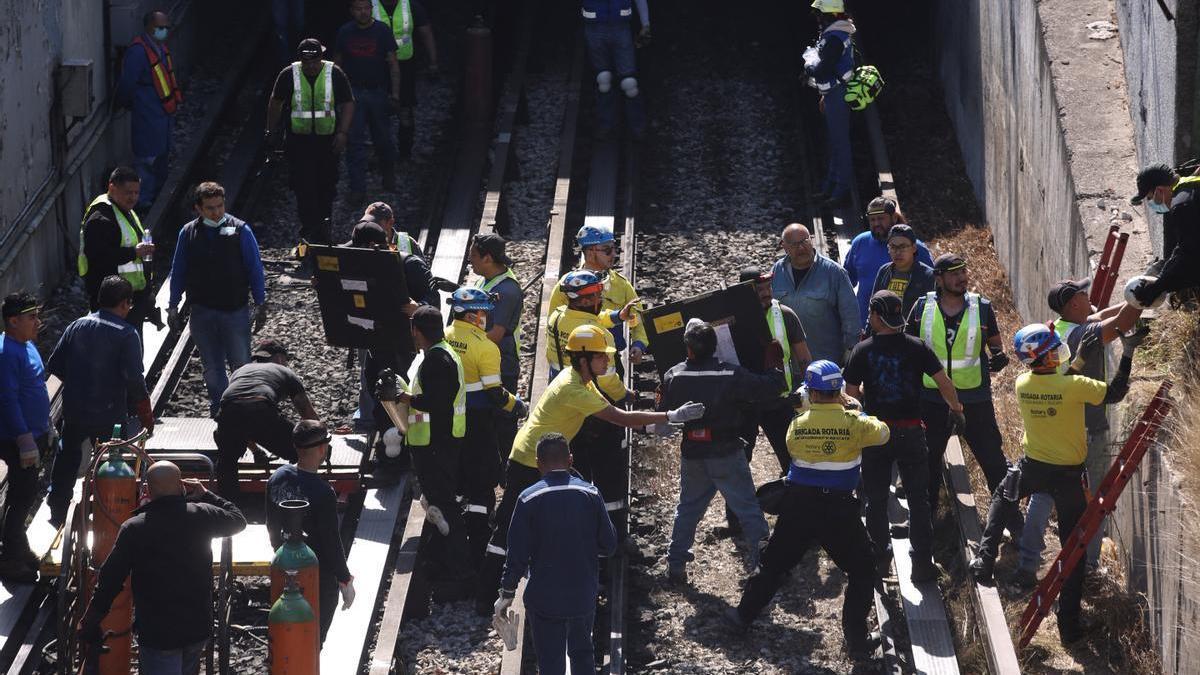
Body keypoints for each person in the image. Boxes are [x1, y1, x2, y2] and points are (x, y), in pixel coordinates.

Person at [476, 324, 704, 615]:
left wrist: (651, 424)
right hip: (529, 460)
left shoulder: (581, 380)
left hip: (547, 457)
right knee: (508, 527)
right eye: (602, 357)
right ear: (584, 359)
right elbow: (619, 417)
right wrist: (669, 415)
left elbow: (609, 417)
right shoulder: (574, 388)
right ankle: (485, 597)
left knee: (574, 502)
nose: (608, 361)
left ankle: (578, 573)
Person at [969, 323, 1141, 644]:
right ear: (1047, 356)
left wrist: (1077, 360)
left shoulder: (1023, 383)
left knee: (1004, 495)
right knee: (1072, 549)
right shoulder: (1074, 385)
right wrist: (1128, 351)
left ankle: (985, 555)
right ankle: (1069, 626)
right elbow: (1115, 392)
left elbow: (1056, 385)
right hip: (1069, 477)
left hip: (1034, 466)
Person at [725, 360, 887, 662]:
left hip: (798, 506)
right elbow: (883, 433)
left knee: (773, 565)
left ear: (811, 391)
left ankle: (741, 616)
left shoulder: (796, 426)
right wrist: (856, 409)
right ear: (839, 390)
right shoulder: (855, 423)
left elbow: (795, 448)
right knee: (863, 570)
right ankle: (856, 641)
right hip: (839, 510)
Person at [1014, 280, 1144, 587]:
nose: (1091, 298)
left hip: (1051, 431)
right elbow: (1124, 321)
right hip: (1083, 429)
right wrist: (1145, 294)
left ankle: (1027, 564)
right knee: (1094, 499)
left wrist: (1137, 294)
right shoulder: (1083, 334)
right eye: (1084, 295)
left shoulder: (1059, 329)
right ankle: (1088, 565)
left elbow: (1105, 316)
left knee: (1043, 495)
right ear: (1073, 304)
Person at [79, 461, 246, 675]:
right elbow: (238, 519)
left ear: (147, 490)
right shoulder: (202, 515)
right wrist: (205, 495)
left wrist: (91, 620)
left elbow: (110, 580)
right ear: (181, 486)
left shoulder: (135, 528)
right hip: (196, 628)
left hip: (158, 633)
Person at [843, 290, 965, 581]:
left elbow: (850, 397)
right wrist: (957, 410)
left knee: (874, 498)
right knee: (918, 499)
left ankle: (880, 558)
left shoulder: (862, 351)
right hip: (911, 431)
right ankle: (922, 563)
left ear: (875, 316)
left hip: (875, 432)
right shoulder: (918, 347)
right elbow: (944, 382)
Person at [660, 319, 785, 583]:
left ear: (689, 349)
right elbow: (771, 387)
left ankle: (676, 565)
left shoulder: (673, 375)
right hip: (726, 452)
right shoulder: (730, 374)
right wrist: (774, 363)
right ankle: (768, 564)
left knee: (688, 509)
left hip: (693, 452)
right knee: (748, 509)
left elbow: (664, 413)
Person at [494, 433, 617, 675]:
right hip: (582, 594)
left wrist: (506, 594)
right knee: (583, 653)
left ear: (538, 463)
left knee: (550, 662)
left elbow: (516, 556)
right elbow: (609, 545)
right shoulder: (591, 494)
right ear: (571, 460)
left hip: (544, 597)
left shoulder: (527, 498)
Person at [906, 254, 1015, 520]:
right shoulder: (921, 308)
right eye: (954, 273)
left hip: (974, 398)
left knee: (993, 462)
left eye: (963, 272)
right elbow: (907, 347)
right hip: (932, 398)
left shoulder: (982, 307)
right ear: (939, 278)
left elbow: (996, 345)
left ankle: (1011, 521)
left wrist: (1000, 357)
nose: (961, 278)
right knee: (927, 463)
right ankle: (925, 520)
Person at [377, 306, 473, 595]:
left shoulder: (436, 360)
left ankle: (460, 572)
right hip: (437, 442)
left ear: (416, 331)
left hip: (435, 444)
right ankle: (447, 562)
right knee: (439, 502)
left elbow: (435, 401)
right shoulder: (440, 355)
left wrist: (403, 396)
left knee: (444, 504)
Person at [47, 276, 153, 528]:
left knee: (66, 461)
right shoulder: (126, 334)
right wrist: (146, 415)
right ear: (126, 304)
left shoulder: (77, 325)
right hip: (109, 416)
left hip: (75, 411)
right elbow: (135, 382)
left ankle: (57, 515)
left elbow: (56, 366)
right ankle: (114, 512)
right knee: (114, 462)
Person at [546, 270, 637, 534]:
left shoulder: (556, 319)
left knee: (578, 468)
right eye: (597, 294)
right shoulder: (600, 336)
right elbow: (608, 381)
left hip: (568, 405)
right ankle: (613, 533)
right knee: (609, 472)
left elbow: (593, 318)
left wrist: (617, 317)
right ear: (585, 300)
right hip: (597, 407)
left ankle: (579, 528)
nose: (601, 298)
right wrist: (624, 395)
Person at [167, 182, 267, 417]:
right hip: (202, 311)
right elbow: (178, 269)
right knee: (211, 366)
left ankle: (243, 408)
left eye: (220, 206)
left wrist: (260, 302)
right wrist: (173, 305)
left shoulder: (241, 230)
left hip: (235, 310)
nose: (217, 212)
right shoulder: (188, 233)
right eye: (210, 208)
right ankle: (220, 409)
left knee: (240, 364)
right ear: (198, 209)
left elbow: (254, 268)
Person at [444, 288, 527, 567]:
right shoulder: (485, 347)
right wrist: (517, 406)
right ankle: (479, 541)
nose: (486, 318)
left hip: (449, 422)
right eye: (483, 313)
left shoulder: (444, 337)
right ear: (470, 314)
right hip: (478, 422)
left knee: (457, 477)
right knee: (483, 480)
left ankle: (452, 534)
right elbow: (495, 393)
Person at [266, 421, 355, 642]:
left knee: (287, 635)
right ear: (322, 449)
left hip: (284, 565)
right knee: (312, 639)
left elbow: (271, 525)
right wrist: (345, 580)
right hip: (317, 574)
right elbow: (331, 541)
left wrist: (279, 553)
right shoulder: (323, 492)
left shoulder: (277, 477)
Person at [266, 38, 355, 255]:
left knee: (326, 188)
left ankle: (324, 233)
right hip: (299, 143)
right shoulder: (289, 74)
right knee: (304, 189)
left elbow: (348, 102)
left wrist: (343, 132)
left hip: (327, 142)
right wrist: (271, 132)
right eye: (308, 61)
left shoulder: (334, 74)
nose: (312, 65)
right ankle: (308, 234)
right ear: (300, 60)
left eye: (315, 60)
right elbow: (275, 103)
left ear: (321, 57)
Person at [213, 338, 318, 498]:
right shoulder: (284, 371)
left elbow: (241, 413)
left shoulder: (240, 371)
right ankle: (300, 495)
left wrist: (256, 451)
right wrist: (319, 440)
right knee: (302, 451)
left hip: (229, 409)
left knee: (227, 460)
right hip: (260, 408)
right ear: (279, 358)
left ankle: (229, 505)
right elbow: (306, 411)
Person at [737, 266, 812, 475]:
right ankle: (740, 507)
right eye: (759, 290)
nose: (766, 293)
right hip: (744, 403)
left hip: (779, 400)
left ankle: (793, 503)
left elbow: (804, 358)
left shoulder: (785, 315)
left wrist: (810, 390)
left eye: (768, 287)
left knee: (792, 459)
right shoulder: (732, 318)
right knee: (739, 463)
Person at [0, 294, 49, 581]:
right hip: (19, 438)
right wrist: (23, 437)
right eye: (31, 317)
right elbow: (7, 398)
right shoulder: (7, 353)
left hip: (35, 433)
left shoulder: (27, 345)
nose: (37, 322)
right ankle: (11, 557)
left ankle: (17, 546)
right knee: (23, 494)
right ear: (13, 321)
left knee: (26, 491)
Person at [549, 224, 647, 364]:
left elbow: (637, 318)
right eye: (607, 250)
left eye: (614, 248)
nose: (614, 254)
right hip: (575, 363)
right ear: (590, 253)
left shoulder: (620, 284)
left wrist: (639, 344)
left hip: (610, 360)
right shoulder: (566, 287)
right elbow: (554, 325)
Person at [337, 0, 403, 205]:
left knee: (383, 138)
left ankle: (388, 174)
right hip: (353, 95)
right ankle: (357, 188)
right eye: (358, 8)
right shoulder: (344, 32)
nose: (363, 12)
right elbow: (337, 65)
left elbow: (393, 63)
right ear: (351, 11)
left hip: (377, 92)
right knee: (354, 143)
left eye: (366, 7)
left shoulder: (382, 31)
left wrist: (395, 94)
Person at [115, 10, 182, 209]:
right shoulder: (138, 51)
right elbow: (127, 83)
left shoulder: (159, 48)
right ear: (149, 27)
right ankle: (143, 202)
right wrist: (125, 103)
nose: (164, 32)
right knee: (146, 160)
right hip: (147, 114)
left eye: (166, 28)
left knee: (161, 156)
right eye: (160, 28)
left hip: (161, 114)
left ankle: (159, 195)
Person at [78, 167, 156, 334]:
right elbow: (99, 259)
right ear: (112, 188)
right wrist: (134, 252)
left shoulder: (124, 210)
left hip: (130, 299)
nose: (133, 198)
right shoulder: (100, 219)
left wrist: (146, 292)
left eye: (136, 193)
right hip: (111, 304)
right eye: (129, 192)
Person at [770, 223, 858, 364]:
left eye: (804, 241)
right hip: (791, 363)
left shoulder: (834, 272)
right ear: (784, 246)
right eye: (794, 244)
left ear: (811, 240)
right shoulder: (776, 272)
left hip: (826, 360)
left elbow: (851, 315)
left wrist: (850, 351)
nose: (801, 248)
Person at [471, 233, 525, 456]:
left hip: (502, 366)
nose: (470, 260)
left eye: (473, 256)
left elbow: (495, 334)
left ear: (487, 258)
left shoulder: (506, 291)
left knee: (503, 423)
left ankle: (507, 473)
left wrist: (461, 344)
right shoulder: (485, 280)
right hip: (486, 362)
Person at [843, 197, 933, 323]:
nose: (876, 224)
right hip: (868, 323)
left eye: (881, 218)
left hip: (908, 327)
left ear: (894, 218)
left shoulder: (916, 248)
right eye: (872, 220)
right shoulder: (860, 243)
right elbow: (845, 281)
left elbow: (934, 287)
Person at [370, 0, 439, 157]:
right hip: (377, 67)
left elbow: (426, 33)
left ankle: (405, 152)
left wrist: (433, 62)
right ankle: (381, 152)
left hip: (405, 66)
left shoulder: (411, 6)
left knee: (405, 110)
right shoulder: (368, 6)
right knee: (377, 111)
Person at [805, 0, 856, 209]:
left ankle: (841, 191)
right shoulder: (836, 33)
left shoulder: (835, 37)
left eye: (819, 15)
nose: (818, 19)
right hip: (833, 93)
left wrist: (809, 66)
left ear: (829, 16)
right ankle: (831, 187)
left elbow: (822, 69)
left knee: (840, 144)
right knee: (835, 143)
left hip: (837, 95)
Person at [1128, 163, 1200, 307]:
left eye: (1150, 198)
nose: (1151, 204)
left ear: (1159, 190)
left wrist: (1159, 286)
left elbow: (1190, 257)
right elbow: (1182, 249)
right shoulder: (1188, 185)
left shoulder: (1181, 206)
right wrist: (1163, 278)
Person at [579, 0, 650, 139]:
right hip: (595, 28)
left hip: (620, 28)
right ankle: (606, 125)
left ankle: (638, 127)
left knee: (629, 83)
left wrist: (646, 23)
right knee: (603, 80)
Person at [869, 224, 936, 325]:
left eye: (903, 247)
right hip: (885, 332)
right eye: (893, 247)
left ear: (914, 248)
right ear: (888, 248)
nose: (898, 252)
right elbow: (873, 306)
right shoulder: (884, 271)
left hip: (914, 335)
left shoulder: (928, 275)